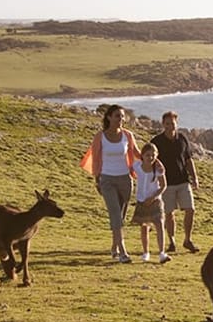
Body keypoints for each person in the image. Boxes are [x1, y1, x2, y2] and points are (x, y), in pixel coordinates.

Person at [80, 104, 140, 264]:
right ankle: (122, 252)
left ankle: (114, 246)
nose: (120, 119)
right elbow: (95, 159)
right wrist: (97, 179)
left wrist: (155, 160)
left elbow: (137, 154)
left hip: (125, 180)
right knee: (115, 215)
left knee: (120, 217)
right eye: (117, 116)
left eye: (122, 116)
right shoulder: (100, 136)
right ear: (109, 118)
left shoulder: (128, 135)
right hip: (107, 179)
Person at [150, 111, 200, 253]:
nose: (170, 126)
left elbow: (189, 159)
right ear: (163, 124)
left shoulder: (182, 139)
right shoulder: (156, 142)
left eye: (172, 123)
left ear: (176, 124)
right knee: (169, 213)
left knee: (190, 209)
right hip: (166, 183)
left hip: (183, 181)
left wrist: (194, 177)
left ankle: (187, 240)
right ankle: (172, 242)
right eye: (167, 123)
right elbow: (150, 161)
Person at [130, 142, 170, 263]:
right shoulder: (137, 166)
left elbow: (163, 185)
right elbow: (130, 170)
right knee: (144, 227)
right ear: (142, 155)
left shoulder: (157, 169)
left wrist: (153, 197)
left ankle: (162, 252)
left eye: (153, 155)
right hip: (141, 200)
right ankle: (145, 252)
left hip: (155, 201)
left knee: (159, 224)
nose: (150, 158)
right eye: (148, 155)